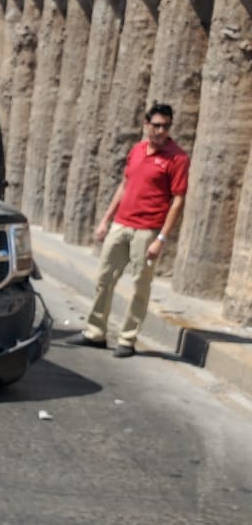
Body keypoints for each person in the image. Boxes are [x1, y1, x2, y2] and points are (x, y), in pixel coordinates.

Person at [67, 102, 190, 358]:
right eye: (157, 125)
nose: (161, 131)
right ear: (146, 125)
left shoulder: (177, 158)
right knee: (104, 278)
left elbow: (178, 200)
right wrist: (106, 220)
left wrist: (161, 238)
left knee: (139, 286)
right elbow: (124, 186)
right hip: (121, 224)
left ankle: (127, 339)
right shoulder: (136, 150)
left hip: (147, 230)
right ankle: (95, 332)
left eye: (166, 126)